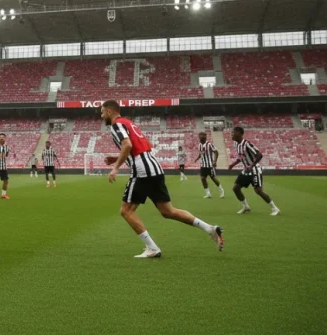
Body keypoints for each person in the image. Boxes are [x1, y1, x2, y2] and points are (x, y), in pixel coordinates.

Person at [101, 100, 223, 258]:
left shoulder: (116, 125)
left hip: (142, 171)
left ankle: (152, 248)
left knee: (126, 211)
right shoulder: (129, 123)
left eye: (102, 112)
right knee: (168, 211)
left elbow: (128, 145)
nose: (101, 115)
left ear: (109, 111)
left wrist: (116, 167)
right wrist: (117, 158)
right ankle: (209, 229)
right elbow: (146, 145)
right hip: (154, 167)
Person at [228, 127, 280, 216]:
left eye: (234, 133)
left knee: (258, 190)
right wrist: (233, 164)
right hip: (246, 170)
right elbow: (241, 157)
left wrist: (251, 165)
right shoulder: (236, 144)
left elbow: (259, 155)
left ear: (240, 133)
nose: (232, 134)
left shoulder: (247, 144)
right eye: (232, 133)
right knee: (236, 188)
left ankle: (275, 208)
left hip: (255, 169)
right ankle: (245, 206)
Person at [194, 132, 225, 199]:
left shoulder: (209, 144)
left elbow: (216, 152)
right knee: (203, 178)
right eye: (200, 135)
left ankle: (221, 190)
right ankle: (208, 193)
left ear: (205, 137)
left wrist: (215, 161)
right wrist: (197, 158)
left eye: (203, 135)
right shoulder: (199, 145)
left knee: (213, 178)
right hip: (203, 165)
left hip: (210, 165)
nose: (201, 136)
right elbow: (201, 153)